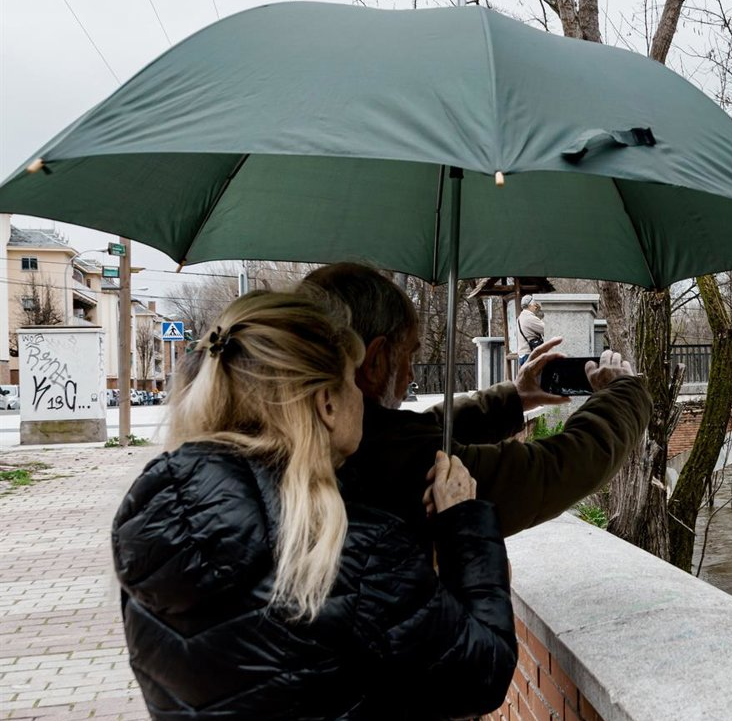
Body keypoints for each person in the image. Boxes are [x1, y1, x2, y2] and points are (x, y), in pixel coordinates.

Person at [112, 291, 514, 720]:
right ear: (327, 403)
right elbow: (480, 676)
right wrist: (464, 530)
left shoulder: (151, 525)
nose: (362, 398)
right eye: (352, 381)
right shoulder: (353, 552)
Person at [300, 263, 650, 536]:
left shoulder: (305, 430)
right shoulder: (381, 453)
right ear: (375, 360)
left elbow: (423, 428)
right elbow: (547, 473)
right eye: (408, 355)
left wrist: (514, 398)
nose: (411, 375)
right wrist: (624, 393)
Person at [517, 296, 545, 362]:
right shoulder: (530, 318)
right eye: (534, 304)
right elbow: (547, 329)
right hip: (529, 353)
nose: (535, 306)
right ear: (529, 305)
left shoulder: (520, 317)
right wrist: (542, 310)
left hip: (523, 354)